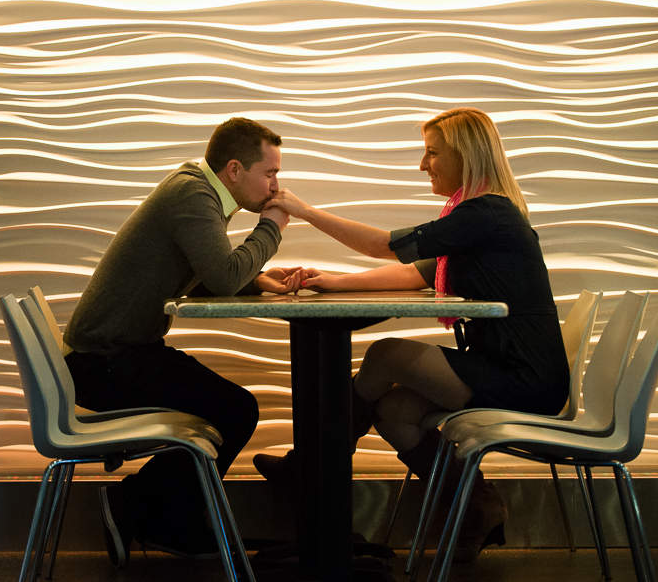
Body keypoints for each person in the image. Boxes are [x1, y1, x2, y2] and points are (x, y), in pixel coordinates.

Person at [254, 108, 569, 562]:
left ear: (468, 156)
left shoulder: (486, 213)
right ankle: (481, 505)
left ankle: (310, 469)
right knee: (396, 409)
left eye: (432, 153)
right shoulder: (478, 214)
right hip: (507, 366)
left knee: (385, 356)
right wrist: (330, 280)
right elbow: (415, 273)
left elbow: (386, 246)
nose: (423, 164)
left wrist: (302, 210)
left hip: (526, 378)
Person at [63, 117, 302, 568]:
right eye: (269, 173)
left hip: (116, 353)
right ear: (234, 169)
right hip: (105, 363)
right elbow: (223, 275)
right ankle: (139, 506)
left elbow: (207, 274)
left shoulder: (196, 188)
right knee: (236, 410)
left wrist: (258, 283)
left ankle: (162, 517)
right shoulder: (194, 195)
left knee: (227, 408)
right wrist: (271, 227)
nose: (275, 186)